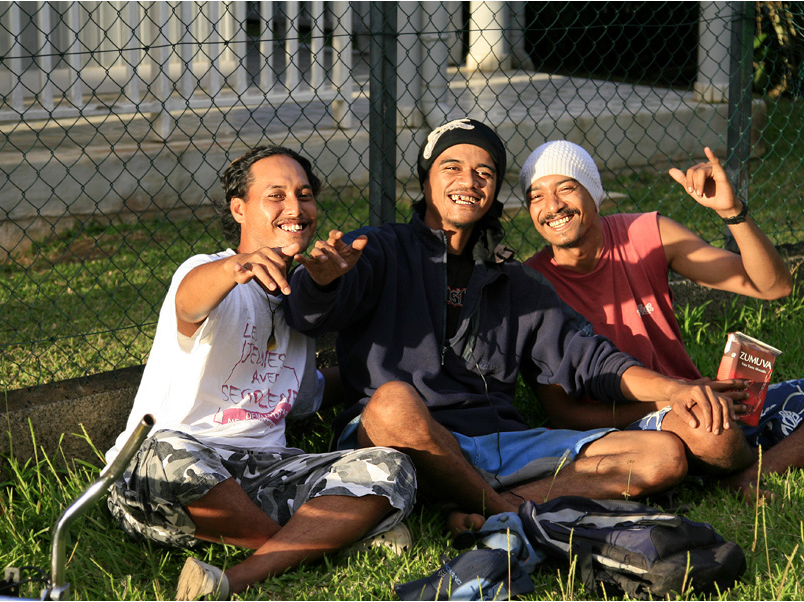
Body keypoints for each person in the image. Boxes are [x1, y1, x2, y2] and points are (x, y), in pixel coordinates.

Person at [285, 118, 748, 532]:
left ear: (494, 193)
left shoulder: (515, 281)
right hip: (403, 442)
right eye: (452, 167)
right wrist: (321, 282)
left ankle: (485, 505)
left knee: (662, 456)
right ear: (426, 181)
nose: (469, 181)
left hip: (500, 443)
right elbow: (307, 314)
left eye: (484, 172)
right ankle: (505, 509)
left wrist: (675, 391)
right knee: (390, 404)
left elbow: (589, 359)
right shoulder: (380, 249)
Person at [106, 146, 416, 601]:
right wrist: (234, 268)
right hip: (176, 468)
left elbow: (307, 393)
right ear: (239, 208)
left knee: (392, 468)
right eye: (276, 195)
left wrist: (388, 368)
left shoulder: (300, 301)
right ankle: (316, 544)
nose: (295, 208)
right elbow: (190, 303)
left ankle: (246, 571)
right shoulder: (206, 272)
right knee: (165, 454)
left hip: (264, 475)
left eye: (304, 194)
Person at [520, 139, 804, 498]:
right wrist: (674, 401)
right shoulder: (529, 285)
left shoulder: (646, 233)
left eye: (566, 188)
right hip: (629, 424)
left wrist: (733, 213)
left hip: (703, 401)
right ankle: (774, 456)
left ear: (595, 194)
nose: (552, 206)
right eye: (536, 195)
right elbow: (564, 414)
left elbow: (773, 286)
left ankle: (748, 472)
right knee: (711, 430)